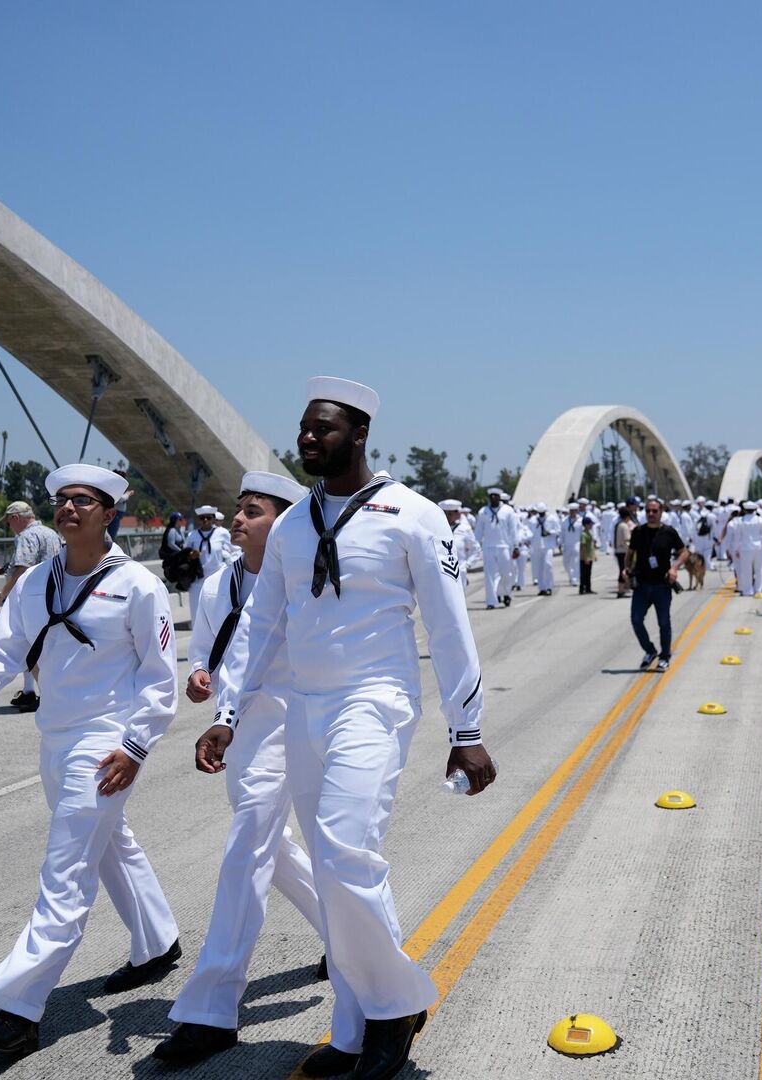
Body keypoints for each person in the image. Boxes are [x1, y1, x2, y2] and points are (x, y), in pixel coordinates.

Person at [235, 377, 496, 1080]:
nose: (308, 438)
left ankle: (394, 1008)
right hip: (304, 707)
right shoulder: (291, 526)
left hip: (374, 701)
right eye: (303, 428)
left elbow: (448, 625)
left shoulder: (410, 515)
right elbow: (264, 625)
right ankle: (355, 1029)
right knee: (333, 869)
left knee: (348, 849)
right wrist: (230, 712)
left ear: (358, 435)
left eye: (323, 428)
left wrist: (465, 727)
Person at [0, 464, 182, 1058]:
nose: (69, 509)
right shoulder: (36, 581)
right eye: (61, 501)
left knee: (65, 873)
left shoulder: (139, 586)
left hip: (106, 742)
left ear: (109, 513)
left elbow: (159, 678)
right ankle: (158, 942)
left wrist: (136, 746)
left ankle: (19, 1007)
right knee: (112, 842)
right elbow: (5, 649)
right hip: (55, 736)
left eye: (83, 501)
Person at [156, 470, 330, 1065]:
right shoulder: (214, 587)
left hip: (297, 722)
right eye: (238, 509)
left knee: (246, 848)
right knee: (267, 846)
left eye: (251, 511)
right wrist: (200, 676)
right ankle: (346, 937)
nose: (236, 519)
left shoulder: (310, 578)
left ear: (281, 521)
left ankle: (211, 1005)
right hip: (241, 731)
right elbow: (206, 649)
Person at [0, 500, 60, 711]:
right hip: (52, 595)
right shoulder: (50, 533)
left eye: (9, 522)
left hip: (33, 598)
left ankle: (44, 696)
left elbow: (22, 569)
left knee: (29, 646)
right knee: (38, 646)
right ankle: (30, 692)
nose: (9, 526)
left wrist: (0, 596)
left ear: (16, 518)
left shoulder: (27, 536)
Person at [627, 497, 690, 671]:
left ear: (661, 513)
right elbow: (630, 552)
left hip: (662, 586)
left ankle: (664, 657)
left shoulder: (669, 532)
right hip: (642, 586)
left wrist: (675, 568)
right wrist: (626, 570)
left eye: (654, 511)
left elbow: (684, 552)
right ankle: (650, 650)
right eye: (648, 511)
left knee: (664, 623)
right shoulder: (638, 532)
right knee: (636, 620)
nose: (651, 514)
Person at [473, 488, 519, 608]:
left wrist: (516, 546)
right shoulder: (483, 512)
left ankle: (506, 593)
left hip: (504, 547)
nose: (493, 498)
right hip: (488, 547)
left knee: (506, 574)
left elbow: (513, 531)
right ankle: (491, 601)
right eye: (491, 496)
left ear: (499, 497)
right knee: (489, 576)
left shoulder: (508, 511)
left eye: (495, 496)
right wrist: (475, 546)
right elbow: (478, 531)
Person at [160, 510, 201, 595]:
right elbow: (171, 544)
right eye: (180, 520)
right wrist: (181, 551)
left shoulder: (180, 530)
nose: (181, 521)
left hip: (180, 554)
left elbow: (184, 542)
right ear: (175, 520)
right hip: (174, 555)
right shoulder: (172, 531)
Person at [613, 502, 636, 597]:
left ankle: (623, 588)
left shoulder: (619, 525)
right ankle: (621, 589)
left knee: (622, 570)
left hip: (619, 550)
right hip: (623, 551)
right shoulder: (624, 526)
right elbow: (626, 539)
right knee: (624, 570)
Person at [577, 510, 598, 594]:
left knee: (588, 573)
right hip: (585, 557)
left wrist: (594, 555)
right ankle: (582, 588)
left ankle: (588, 588)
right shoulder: (584, 534)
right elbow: (583, 547)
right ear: (586, 525)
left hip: (589, 556)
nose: (591, 525)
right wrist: (585, 558)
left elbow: (591, 546)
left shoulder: (589, 533)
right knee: (584, 574)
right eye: (590, 524)